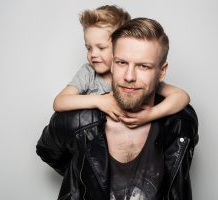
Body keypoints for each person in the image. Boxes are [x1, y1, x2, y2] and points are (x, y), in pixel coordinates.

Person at [37, 18, 199, 200]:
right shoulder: (76, 122)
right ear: (112, 64)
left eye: (143, 66)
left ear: (162, 72)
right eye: (122, 63)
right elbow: (48, 152)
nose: (129, 76)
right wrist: (84, 179)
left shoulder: (180, 123)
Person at [53, 5, 191, 128]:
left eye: (101, 48)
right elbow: (59, 102)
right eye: (89, 48)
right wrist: (98, 101)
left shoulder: (139, 79)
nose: (93, 54)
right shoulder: (88, 73)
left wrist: (152, 114)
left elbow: (181, 96)